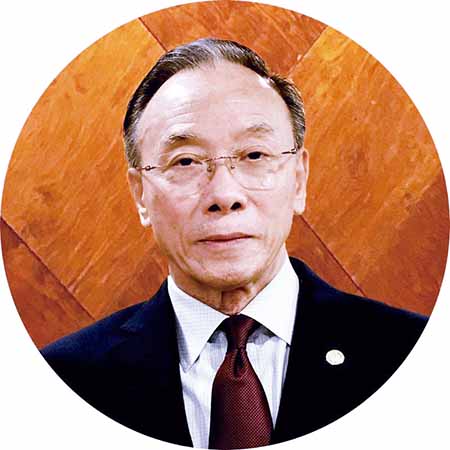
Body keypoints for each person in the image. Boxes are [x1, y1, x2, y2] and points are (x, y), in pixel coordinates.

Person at [42, 38, 427, 449]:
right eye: (185, 161)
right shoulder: (61, 383)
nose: (224, 195)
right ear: (140, 195)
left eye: (255, 155)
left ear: (298, 179)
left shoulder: (413, 355)